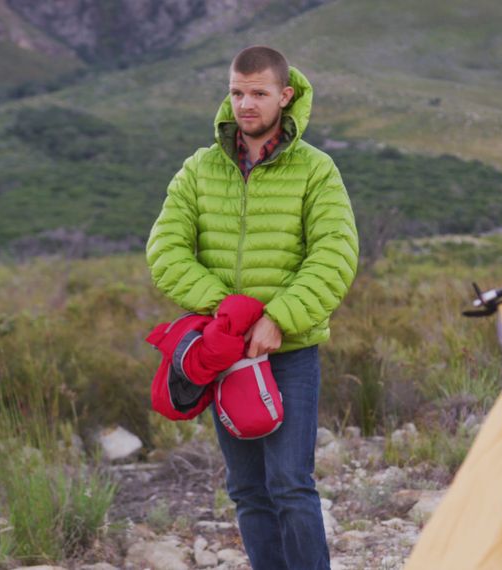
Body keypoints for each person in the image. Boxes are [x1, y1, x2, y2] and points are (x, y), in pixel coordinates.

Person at [146, 45, 358, 570]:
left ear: (285, 96)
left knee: (290, 485)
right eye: (237, 92)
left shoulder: (316, 170)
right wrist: (230, 313)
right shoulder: (199, 170)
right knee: (246, 489)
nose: (245, 104)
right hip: (226, 354)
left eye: (259, 93)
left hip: (289, 352)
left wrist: (278, 318)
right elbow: (165, 251)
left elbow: (334, 256)